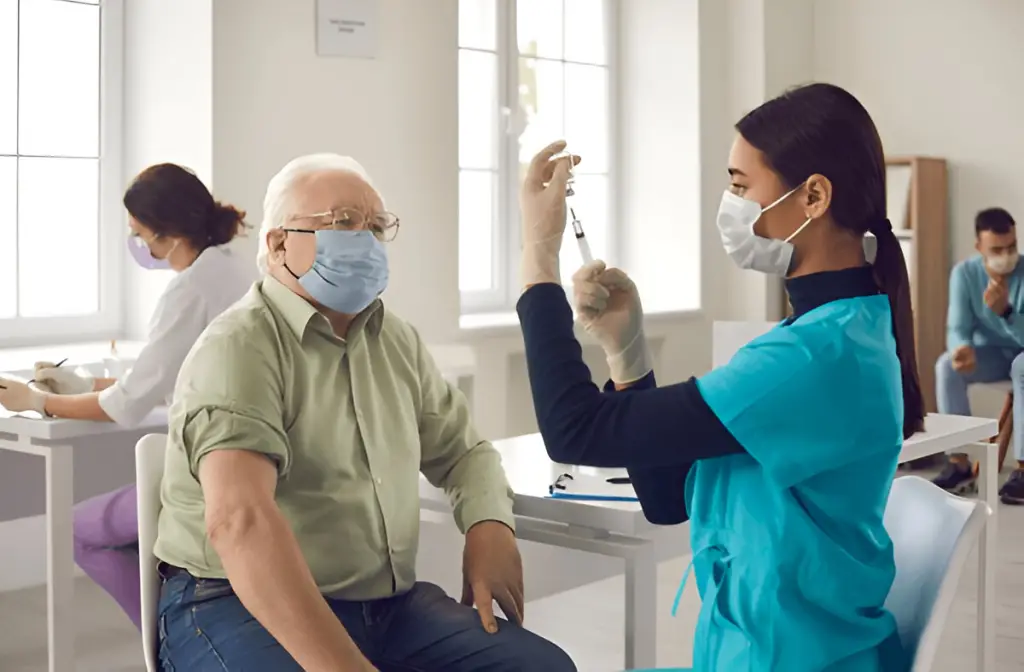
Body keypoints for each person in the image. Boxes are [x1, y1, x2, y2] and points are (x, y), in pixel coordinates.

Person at [516, 83, 924, 671]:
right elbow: (664, 498)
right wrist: (626, 351)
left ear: (812, 196)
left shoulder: (812, 357)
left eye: (739, 186)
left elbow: (574, 430)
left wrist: (537, 258)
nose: (729, 205)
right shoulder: (837, 332)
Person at [152, 153, 575, 672]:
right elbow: (241, 522)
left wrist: (488, 525)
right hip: (231, 601)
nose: (365, 239)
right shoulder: (240, 346)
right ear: (279, 242)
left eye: (376, 225)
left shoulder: (395, 339)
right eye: (343, 222)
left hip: (385, 605)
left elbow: (463, 452)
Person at [0, 163, 253, 629]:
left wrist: (36, 402)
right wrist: (81, 385)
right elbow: (166, 380)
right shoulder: (234, 270)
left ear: (168, 233)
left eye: (139, 233)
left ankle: (167, 640)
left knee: (80, 530)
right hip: (252, 461)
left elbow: (127, 405)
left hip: (211, 473)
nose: (136, 243)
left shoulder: (189, 289)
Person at [932, 207, 1024, 503]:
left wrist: (1007, 313)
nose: (1006, 255)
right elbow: (957, 327)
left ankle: (1022, 470)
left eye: (1012, 247)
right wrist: (962, 350)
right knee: (946, 366)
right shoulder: (965, 273)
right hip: (994, 357)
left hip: (1022, 355)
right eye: (997, 249)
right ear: (979, 247)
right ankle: (958, 462)